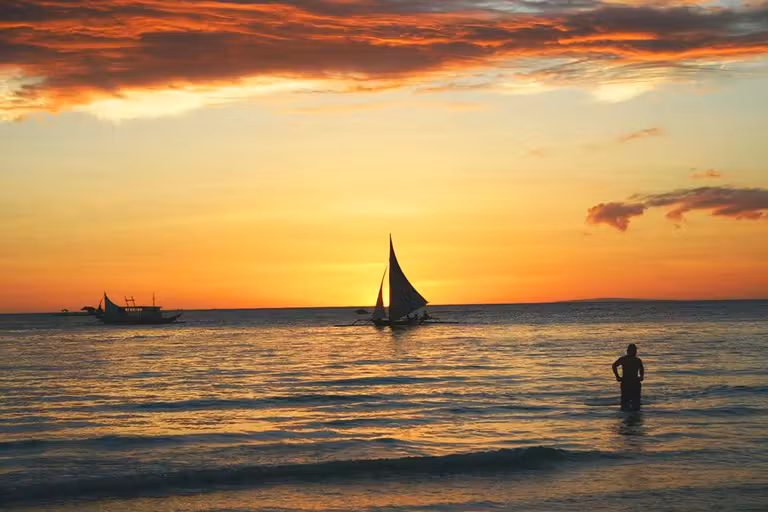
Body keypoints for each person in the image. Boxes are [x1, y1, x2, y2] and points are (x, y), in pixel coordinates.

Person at [612, 344, 644, 411]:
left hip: (630, 383)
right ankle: (632, 418)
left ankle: (627, 418)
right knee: (632, 403)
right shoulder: (632, 360)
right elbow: (614, 366)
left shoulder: (635, 360)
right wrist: (617, 376)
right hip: (630, 383)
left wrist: (617, 377)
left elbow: (641, 369)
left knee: (629, 403)